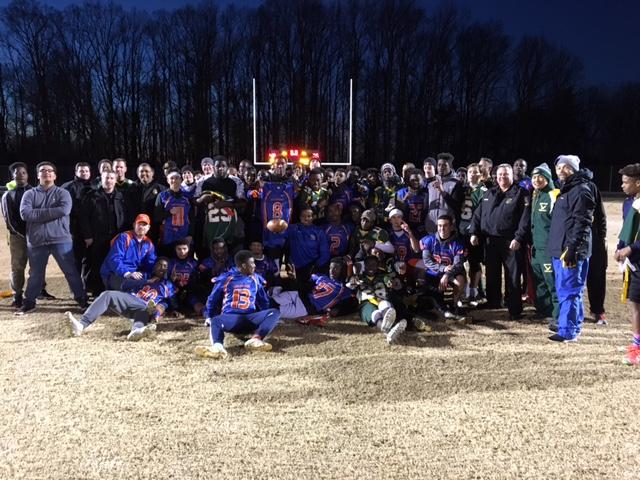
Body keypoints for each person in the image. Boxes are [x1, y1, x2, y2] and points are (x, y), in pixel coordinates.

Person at [16, 162, 88, 315]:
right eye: (42, 171)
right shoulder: (29, 194)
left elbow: (64, 210)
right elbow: (25, 214)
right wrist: (51, 213)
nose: (46, 173)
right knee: (36, 273)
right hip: (37, 241)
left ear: (55, 175)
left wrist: (38, 214)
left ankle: (81, 298)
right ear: (37, 175)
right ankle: (29, 301)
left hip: (61, 239)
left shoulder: (63, 193)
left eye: (50, 171)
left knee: (71, 271)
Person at [470, 163, 530, 320]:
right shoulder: (490, 193)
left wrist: (518, 237)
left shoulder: (520, 193)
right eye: (500, 174)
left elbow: (525, 219)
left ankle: (514, 307)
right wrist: (474, 232)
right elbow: (478, 214)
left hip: (511, 242)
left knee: (513, 274)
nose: (502, 177)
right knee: (491, 273)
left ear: (512, 176)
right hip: (491, 241)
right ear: (495, 176)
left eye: (506, 174)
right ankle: (493, 301)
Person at [195, 250, 282, 359]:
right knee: (215, 320)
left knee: (274, 312)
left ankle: (256, 339)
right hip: (231, 319)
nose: (255, 266)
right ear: (244, 265)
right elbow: (212, 299)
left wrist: (265, 320)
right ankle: (217, 347)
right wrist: (209, 316)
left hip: (249, 318)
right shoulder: (226, 278)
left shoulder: (255, 278)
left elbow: (264, 301)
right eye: (252, 263)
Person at [66, 258, 174, 341]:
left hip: (145, 306)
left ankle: (136, 330)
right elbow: (124, 285)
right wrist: (146, 281)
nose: (161, 268)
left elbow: (167, 302)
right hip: (129, 298)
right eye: (159, 265)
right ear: (154, 266)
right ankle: (81, 325)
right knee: (107, 294)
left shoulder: (169, 285)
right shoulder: (144, 275)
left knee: (145, 310)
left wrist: (157, 314)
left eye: (165, 266)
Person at [547, 155, 595, 342]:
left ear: (573, 169)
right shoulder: (565, 190)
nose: (560, 170)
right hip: (560, 249)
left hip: (570, 251)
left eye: (565, 167)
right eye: (558, 167)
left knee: (570, 290)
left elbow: (582, 222)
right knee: (567, 290)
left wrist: (572, 248)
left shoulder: (581, 191)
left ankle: (568, 331)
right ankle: (572, 324)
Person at [79, 171, 126, 296]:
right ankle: (96, 291)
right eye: (106, 178)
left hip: (116, 237)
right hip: (97, 237)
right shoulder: (92, 196)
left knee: (114, 263)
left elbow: (125, 216)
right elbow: (84, 217)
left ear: (115, 180)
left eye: (111, 178)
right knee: (96, 264)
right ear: (101, 180)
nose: (109, 180)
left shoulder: (120, 196)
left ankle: (111, 289)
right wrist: (88, 236)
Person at [273, 257, 354, 325]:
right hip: (298, 295)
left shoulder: (343, 289)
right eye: (331, 267)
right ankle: (273, 292)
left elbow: (353, 301)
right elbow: (307, 283)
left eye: (336, 268)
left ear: (343, 270)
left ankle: (274, 293)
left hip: (305, 307)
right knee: (272, 301)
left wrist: (338, 311)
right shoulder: (322, 277)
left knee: (276, 311)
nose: (332, 270)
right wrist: (295, 279)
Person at [346, 255, 406, 344]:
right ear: (364, 266)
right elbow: (349, 284)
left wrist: (390, 283)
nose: (371, 267)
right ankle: (388, 330)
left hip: (382, 300)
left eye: (374, 264)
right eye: (368, 264)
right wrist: (352, 280)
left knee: (385, 304)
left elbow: (388, 280)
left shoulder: (383, 276)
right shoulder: (359, 277)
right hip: (366, 303)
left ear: (378, 266)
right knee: (375, 313)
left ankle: (388, 324)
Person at [615, 163, 640, 365]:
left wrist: (631, 249)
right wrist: (620, 247)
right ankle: (636, 346)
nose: (622, 186)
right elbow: (626, 231)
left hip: (636, 255)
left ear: (638, 183)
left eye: (626, 182)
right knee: (635, 303)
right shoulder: (628, 203)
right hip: (635, 265)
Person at [529, 163, 560, 326]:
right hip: (536, 249)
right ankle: (543, 310)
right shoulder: (536, 195)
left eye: (540, 176)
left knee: (551, 281)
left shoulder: (553, 195)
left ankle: (557, 314)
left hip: (548, 249)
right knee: (539, 280)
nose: (536, 180)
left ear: (547, 178)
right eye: (534, 177)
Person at [420, 215, 467, 320]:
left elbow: (458, 264)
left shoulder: (457, 243)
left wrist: (446, 275)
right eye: (439, 225)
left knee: (460, 280)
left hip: (450, 274)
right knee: (434, 297)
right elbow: (427, 261)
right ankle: (441, 307)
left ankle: (455, 304)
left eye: (445, 226)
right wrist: (442, 268)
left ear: (451, 227)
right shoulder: (429, 240)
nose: (442, 228)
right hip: (433, 273)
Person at [100, 214, 157, 291]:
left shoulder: (148, 243)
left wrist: (156, 273)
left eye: (144, 225)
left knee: (153, 283)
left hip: (134, 274)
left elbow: (151, 263)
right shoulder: (124, 237)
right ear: (134, 225)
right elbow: (114, 259)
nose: (141, 227)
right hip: (114, 274)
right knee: (136, 285)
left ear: (148, 228)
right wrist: (127, 273)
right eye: (139, 224)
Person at [1, 162, 32, 307]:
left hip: (35, 236)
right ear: (12, 176)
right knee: (18, 266)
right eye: (17, 173)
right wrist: (23, 234)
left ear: (27, 175)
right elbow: (9, 220)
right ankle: (17, 294)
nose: (20, 175)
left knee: (37, 265)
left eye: (23, 172)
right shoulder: (8, 195)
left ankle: (36, 292)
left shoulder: (34, 191)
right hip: (17, 237)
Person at [62, 162, 93, 279]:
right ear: (76, 172)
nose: (84, 173)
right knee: (75, 259)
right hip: (74, 230)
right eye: (81, 171)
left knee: (88, 259)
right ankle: (75, 287)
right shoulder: (68, 187)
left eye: (86, 171)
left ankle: (85, 284)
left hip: (90, 229)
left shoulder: (94, 186)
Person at [154, 170, 193, 257]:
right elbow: (157, 217)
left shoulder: (187, 197)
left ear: (181, 180)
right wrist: (169, 212)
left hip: (184, 235)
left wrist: (190, 234)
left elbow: (192, 217)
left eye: (177, 178)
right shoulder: (162, 196)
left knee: (182, 261)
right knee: (168, 260)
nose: (174, 180)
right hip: (168, 235)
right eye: (171, 178)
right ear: (167, 181)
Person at [425, 152, 464, 233]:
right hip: (431, 226)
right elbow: (426, 206)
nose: (441, 168)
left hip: (447, 228)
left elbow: (456, 206)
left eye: (444, 165)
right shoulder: (431, 182)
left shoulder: (456, 183)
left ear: (450, 166)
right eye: (439, 165)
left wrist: (442, 191)